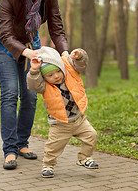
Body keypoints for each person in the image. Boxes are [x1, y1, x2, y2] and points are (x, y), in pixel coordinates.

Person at [0, 0, 68, 170]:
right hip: (3, 44)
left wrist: (64, 52)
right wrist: (24, 52)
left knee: (31, 96)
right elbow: (5, 32)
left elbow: (56, 27)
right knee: (10, 93)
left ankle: (22, 143)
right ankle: (10, 150)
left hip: (30, 44)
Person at [27, 46, 99, 178]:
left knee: (91, 136)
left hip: (79, 119)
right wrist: (34, 70)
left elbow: (81, 65)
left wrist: (79, 56)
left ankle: (84, 158)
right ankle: (48, 165)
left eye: (58, 72)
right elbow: (33, 85)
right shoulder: (43, 85)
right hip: (59, 124)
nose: (55, 76)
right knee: (53, 147)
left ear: (62, 69)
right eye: (49, 75)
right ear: (44, 77)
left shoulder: (71, 73)